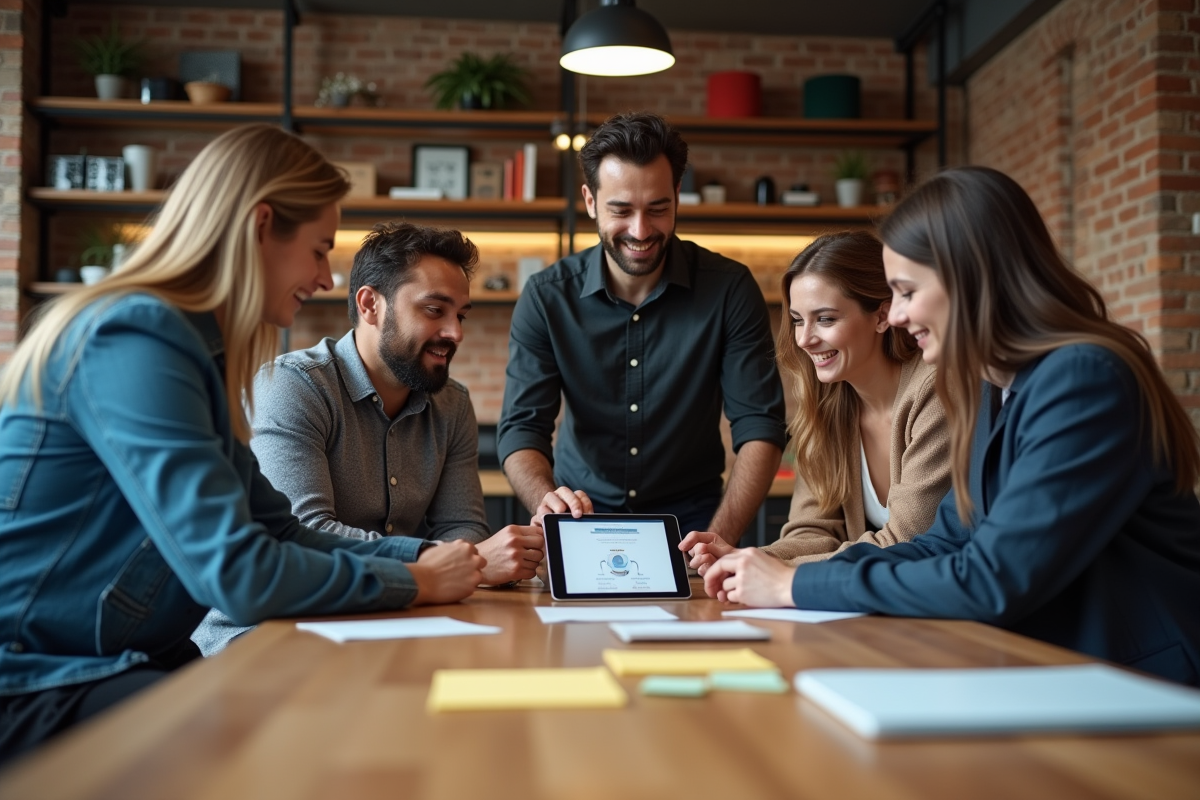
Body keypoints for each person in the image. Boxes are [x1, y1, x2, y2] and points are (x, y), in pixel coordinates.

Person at [0, 125, 486, 761]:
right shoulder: (137, 337)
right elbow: (238, 572)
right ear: (261, 226)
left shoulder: (191, 351)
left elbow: (279, 530)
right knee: (305, 737)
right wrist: (412, 581)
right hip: (39, 675)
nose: (325, 278)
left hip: (126, 658)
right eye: (318, 250)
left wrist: (424, 558)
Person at [703, 166, 1200, 685]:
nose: (896, 316)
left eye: (906, 291)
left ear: (969, 280)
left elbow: (992, 578)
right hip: (1060, 669)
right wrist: (772, 571)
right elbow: (942, 542)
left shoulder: (1082, 378)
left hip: (1144, 682)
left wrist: (793, 587)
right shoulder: (995, 389)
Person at [193, 221, 546, 656]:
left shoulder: (452, 404)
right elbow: (305, 534)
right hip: (270, 630)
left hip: (391, 618)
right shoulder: (294, 386)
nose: (455, 333)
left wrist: (486, 557)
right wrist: (450, 562)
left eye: (461, 315)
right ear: (370, 305)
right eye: (434, 310)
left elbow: (464, 527)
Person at [497, 111, 787, 541]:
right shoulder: (546, 297)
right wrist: (547, 499)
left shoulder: (730, 289)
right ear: (590, 201)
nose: (640, 230)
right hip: (581, 513)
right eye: (621, 210)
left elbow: (760, 426)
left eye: (658, 209)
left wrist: (719, 539)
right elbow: (522, 428)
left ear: (677, 197)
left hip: (697, 520)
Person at [679, 231, 950, 571]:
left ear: (882, 316)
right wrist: (751, 558)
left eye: (825, 319)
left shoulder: (935, 392)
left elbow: (906, 542)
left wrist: (770, 568)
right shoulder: (829, 405)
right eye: (797, 320)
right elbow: (810, 530)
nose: (804, 339)